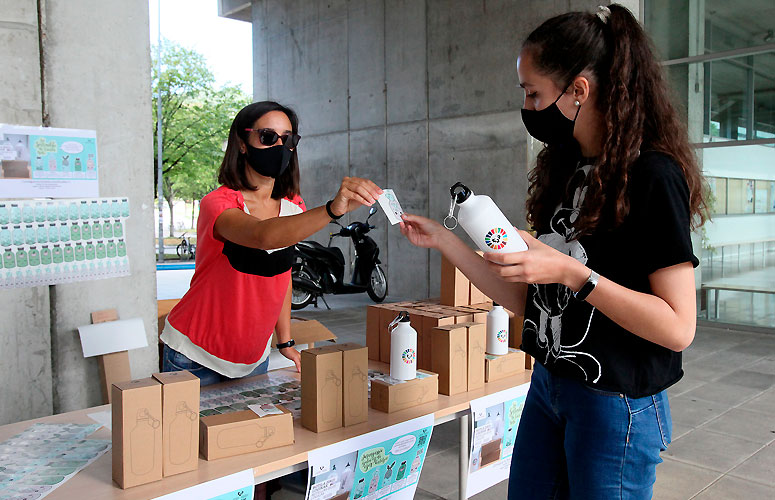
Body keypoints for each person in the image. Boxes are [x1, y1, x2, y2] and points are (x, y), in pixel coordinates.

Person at [399, 5, 708, 498]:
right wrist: (445, 241)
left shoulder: (653, 175)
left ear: (578, 91)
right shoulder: (564, 171)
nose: (527, 105)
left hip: (617, 404)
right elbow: (529, 305)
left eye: (533, 92)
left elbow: (677, 328)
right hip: (550, 384)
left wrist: (571, 272)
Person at [161, 101, 382, 385]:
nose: (280, 146)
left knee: (244, 431)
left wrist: (285, 340)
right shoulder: (218, 203)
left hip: (253, 356)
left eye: (288, 139)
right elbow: (262, 236)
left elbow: (281, 276)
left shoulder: (294, 206)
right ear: (242, 143)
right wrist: (331, 210)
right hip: (193, 354)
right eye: (267, 137)